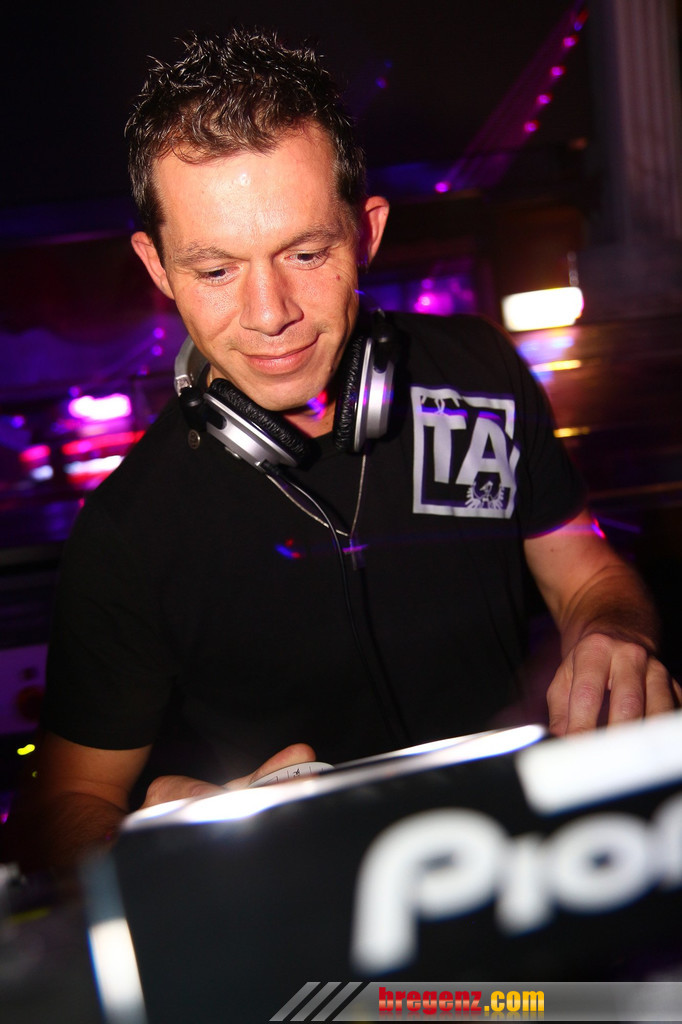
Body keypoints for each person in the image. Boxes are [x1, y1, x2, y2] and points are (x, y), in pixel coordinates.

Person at [12, 28, 679, 870]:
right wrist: (163, 838)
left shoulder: (479, 371)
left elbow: (585, 569)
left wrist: (612, 635)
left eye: (305, 253)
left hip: (530, 865)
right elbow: (59, 808)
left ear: (366, 233)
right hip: (308, 924)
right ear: (157, 267)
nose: (270, 313)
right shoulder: (128, 532)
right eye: (215, 271)